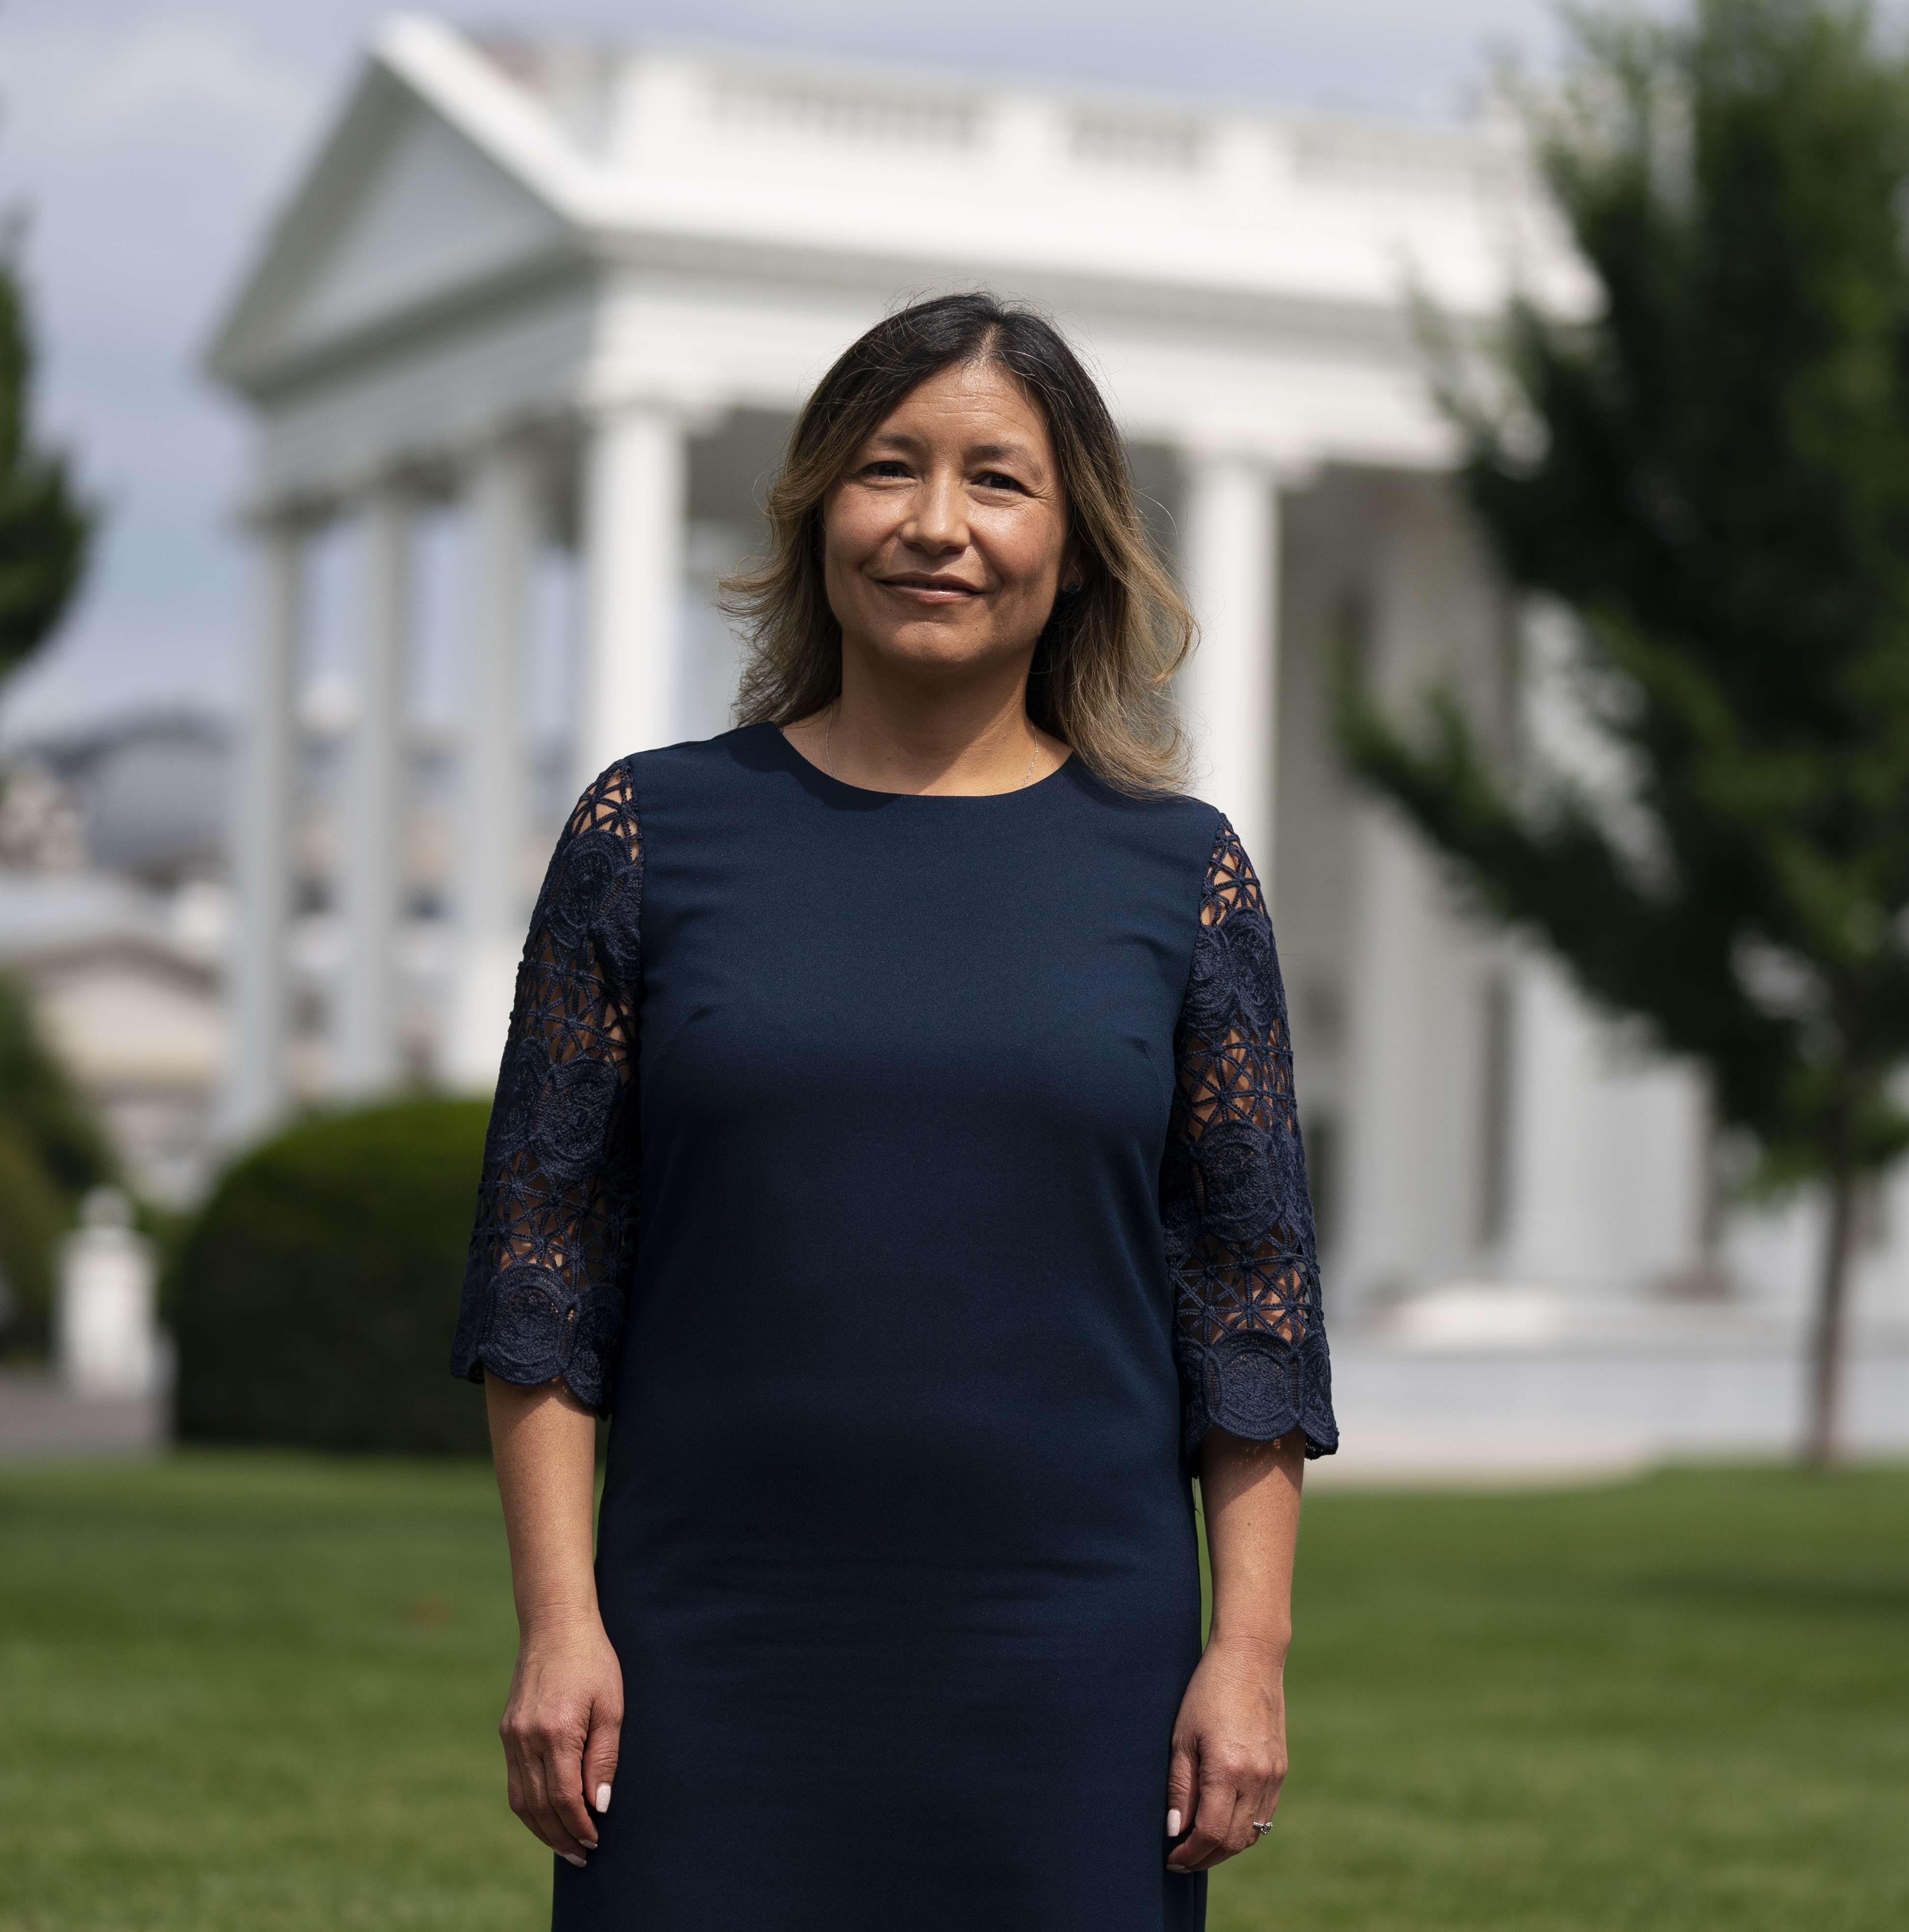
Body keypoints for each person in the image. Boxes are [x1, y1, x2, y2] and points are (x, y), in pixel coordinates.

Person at [450, 290, 1337, 1931]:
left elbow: (1251, 1307)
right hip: (705, 1651)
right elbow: (542, 1271)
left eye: (998, 481)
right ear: (815, 515)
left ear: (1076, 546)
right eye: (888, 469)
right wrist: (560, 1623)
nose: (938, 525)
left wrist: (1251, 1651)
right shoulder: (648, 837)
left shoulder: (1183, 874)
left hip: (1076, 1665)